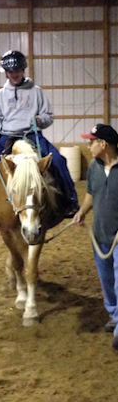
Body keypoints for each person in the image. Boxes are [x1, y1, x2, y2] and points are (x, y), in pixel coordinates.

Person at [0, 49, 79, 223]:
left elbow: (49, 116)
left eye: (17, 71)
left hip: (33, 136)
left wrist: (40, 120)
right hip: (6, 138)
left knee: (58, 161)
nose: (14, 74)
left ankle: (70, 201)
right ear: (6, 73)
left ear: (23, 70)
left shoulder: (37, 92)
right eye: (10, 72)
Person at [73, 123, 118, 351]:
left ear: (104, 144)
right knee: (107, 281)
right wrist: (82, 211)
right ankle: (115, 315)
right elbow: (91, 193)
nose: (88, 145)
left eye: (91, 141)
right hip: (99, 235)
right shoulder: (94, 167)